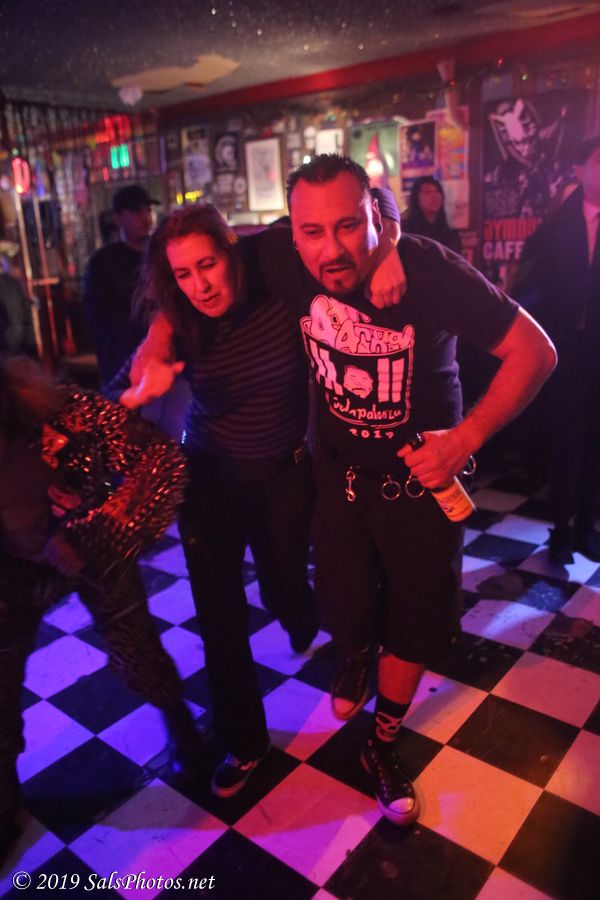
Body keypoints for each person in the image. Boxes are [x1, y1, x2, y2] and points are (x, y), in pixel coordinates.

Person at [125, 155, 556, 827]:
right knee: (341, 607)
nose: (331, 249)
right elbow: (185, 269)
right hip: (334, 480)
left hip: (419, 484)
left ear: (374, 215)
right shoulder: (276, 256)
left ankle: (381, 744)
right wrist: (155, 345)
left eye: (349, 226)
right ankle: (354, 656)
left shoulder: (429, 270)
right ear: (290, 232)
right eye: (313, 231)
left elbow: (537, 351)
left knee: (413, 621)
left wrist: (465, 438)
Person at [111, 204, 321, 801]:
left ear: (232, 251)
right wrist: (144, 382)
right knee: (219, 616)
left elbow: (366, 211)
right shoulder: (178, 320)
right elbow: (129, 377)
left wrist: (391, 238)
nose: (199, 285)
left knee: (285, 584)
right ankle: (244, 741)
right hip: (208, 478)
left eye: (208, 265)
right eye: (183, 273)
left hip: (283, 473)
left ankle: (297, 610)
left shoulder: (276, 280)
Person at [0, 356, 203, 865]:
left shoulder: (64, 411)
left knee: (137, 652)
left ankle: (183, 728)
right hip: (11, 572)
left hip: (91, 548)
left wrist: (89, 532)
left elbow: (159, 459)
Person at [513, 135, 600, 563]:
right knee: (565, 438)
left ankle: (587, 526)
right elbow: (528, 287)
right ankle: (562, 527)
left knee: (596, 441)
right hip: (564, 350)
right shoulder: (555, 228)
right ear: (581, 170)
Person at [82, 185, 158, 386]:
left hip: (166, 357)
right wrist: (143, 320)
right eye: (136, 212)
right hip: (124, 363)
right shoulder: (103, 263)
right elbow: (99, 318)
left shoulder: (160, 254)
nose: (146, 218)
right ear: (117, 218)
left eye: (148, 210)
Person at [402, 176, 461, 254]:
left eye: (437, 191)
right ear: (416, 198)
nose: (434, 196)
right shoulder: (407, 232)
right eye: (427, 192)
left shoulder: (450, 233)